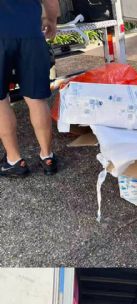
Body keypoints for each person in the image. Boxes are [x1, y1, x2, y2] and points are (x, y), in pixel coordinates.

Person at [0, 0, 59, 177]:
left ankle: (14, 161)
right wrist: (51, 21)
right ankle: (47, 157)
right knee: (36, 99)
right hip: (31, 33)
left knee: (1, 101)